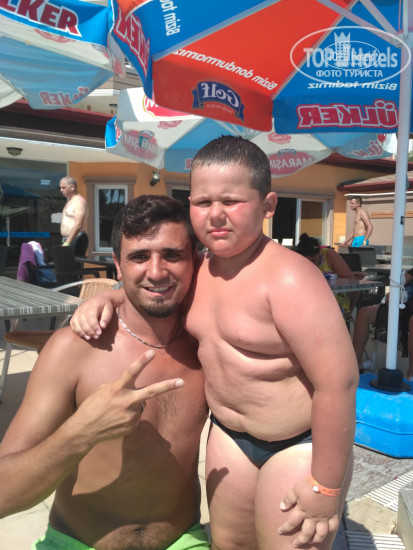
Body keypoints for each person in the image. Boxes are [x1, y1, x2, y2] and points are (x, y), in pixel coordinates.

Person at [71, 136, 359, 550]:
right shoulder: (197, 269)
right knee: (229, 544)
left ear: (268, 205)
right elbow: (153, 287)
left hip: (296, 441)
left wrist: (326, 487)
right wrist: (110, 297)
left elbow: (339, 383)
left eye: (232, 201)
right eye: (203, 202)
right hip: (229, 436)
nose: (216, 214)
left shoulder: (290, 279)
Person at [0, 196, 210, 550]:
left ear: (195, 260)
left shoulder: (207, 344)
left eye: (172, 255)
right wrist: (82, 431)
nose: (156, 271)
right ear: (117, 265)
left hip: (183, 541)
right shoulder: (73, 349)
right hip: (75, 543)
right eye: (139, 257)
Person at [353, 268, 413, 373]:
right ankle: (356, 364)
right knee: (364, 313)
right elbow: (401, 281)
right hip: (405, 307)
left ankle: (411, 373)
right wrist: (394, 293)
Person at [295, 232, 359, 315]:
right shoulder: (296, 259)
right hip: (308, 298)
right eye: (306, 262)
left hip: (333, 298)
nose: (311, 265)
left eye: (313, 260)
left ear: (319, 252)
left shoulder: (329, 255)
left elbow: (350, 279)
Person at [60, 176, 89, 256]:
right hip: (68, 239)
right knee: (65, 263)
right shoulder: (70, 201)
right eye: (60, 188)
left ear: (72, 187)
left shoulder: (79, 202)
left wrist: (67, 243)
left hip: (76, 239)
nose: (61, 190)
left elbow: (79, 224)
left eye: (63, 187)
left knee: (73, 264)